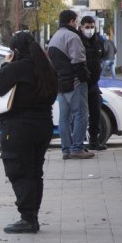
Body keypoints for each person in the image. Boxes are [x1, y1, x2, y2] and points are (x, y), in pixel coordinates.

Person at [0, 31, 58, 234]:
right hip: (43, 125)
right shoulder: (47, 68)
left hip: (18, 128)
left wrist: (6, 65)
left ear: (15, 51)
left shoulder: (18, 68)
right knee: (35, 172)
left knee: (19, 171)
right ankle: (32, 216)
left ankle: (27, 218)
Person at [47, 10, 94, 159]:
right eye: (76, 21)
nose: (77, 24)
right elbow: (78, 62)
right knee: (81, 115)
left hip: (61, 84)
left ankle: (66, 149)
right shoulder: (72, 37)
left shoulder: (54, 37)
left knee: (64, 118)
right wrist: (85, 79)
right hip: (75, 83)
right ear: (71, 21)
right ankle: (77, 147)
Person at [80, 16, 107, 151]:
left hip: (94, 84)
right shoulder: (78, 40)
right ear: (81, 27)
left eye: (91, 27)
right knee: (80, 114)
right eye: (87, 27)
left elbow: (101, 57)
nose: (89, 30)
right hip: (81, 83)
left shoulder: (98, 41)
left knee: (95, 111)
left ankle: (94, 140)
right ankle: (79, 143)